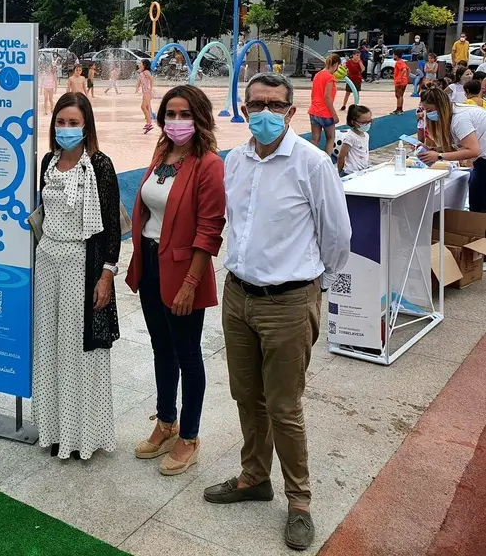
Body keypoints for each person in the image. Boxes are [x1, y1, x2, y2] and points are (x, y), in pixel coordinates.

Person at [203, 72, 351, 552]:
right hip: (238, 294)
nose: (264, 113)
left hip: (288, 300)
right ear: (244, 110)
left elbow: (338, 237)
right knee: (247, 396)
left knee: (284, 406)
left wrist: (310, 286)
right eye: (255, 105)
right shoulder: (236, 161)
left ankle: (300, 501)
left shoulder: (311, 163)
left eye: (275, 105)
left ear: (291, 111)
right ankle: (253, 478)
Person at [126, 85, 225, 476]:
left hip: (184, 271)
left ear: (198, 118)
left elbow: (210, 229)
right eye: (170, 114)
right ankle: (165, 421)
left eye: (184, 114)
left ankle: (190, 435)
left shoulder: (208, 164)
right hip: (151, 263)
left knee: (187, 353)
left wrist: (190, 283)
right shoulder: (161, 154)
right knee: (160, 347)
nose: (176, 121)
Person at [33, 92, 121, 460]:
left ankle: (82, 436)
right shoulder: (48, 162)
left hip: (80, 265)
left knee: (76, 349)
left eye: (74, 122)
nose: (66, 129)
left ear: (87, 126)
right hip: (47, 261)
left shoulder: (99, 165)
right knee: (49, 345)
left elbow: (112, 227)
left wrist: (106, 275)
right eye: (61, 122)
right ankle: (53, 430)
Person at [419, 87, 486, 212]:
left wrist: (439, 156)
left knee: (479, 206)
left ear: (440, 106)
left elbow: (472, 150)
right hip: (481, 161)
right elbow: (456, 146)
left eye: (429, 110)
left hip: (483, 160)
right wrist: (432, 149)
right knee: (476, 198)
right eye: (425, 110)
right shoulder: (454, 113)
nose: (428, 114)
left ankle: (477, 229)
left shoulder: (460, 119)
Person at [308, 54, 339, 155]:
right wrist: (334, 115)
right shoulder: (330, 78)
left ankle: (310, 160)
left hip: (314, 111)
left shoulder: (318, 75)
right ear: (336, 64)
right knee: (330, 138)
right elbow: (327, 97)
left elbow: (313, 93)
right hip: (325, 113)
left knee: (315, 140)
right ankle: (327, 162)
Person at [337, 105, 372, 176]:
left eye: (370, 121)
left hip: (362, 170)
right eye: (363, 123)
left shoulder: (366, 135)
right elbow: (341, 156)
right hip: (350, 172)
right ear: (353, 122)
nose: (367, 124)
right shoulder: (350, 137)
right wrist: (339, 173)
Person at [136, 59, 155, 134]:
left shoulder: (146, 72)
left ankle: (149, 123)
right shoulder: (142, 73)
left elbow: (151, 79)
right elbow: (139, 81)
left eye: (140, 63)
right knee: (146, 107)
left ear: (144, 65)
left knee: (143, 107)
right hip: (145, 93)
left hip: (148, 93)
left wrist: (151, 89)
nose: (139, 64)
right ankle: (148, 122)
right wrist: (137, 87)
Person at [392, 50, 410, 115]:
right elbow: (408, 69)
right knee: (400, 95)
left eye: (393, 55)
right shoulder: (402, 62)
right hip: (403, 81)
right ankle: (399, 109)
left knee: (398, 95)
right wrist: (406, 78)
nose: (393, 56)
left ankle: (399, 109)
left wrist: (399, 78)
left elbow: (404, 70)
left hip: (399, 82)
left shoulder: (398, 62)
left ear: (396, 55)